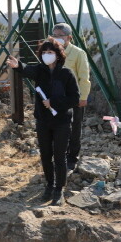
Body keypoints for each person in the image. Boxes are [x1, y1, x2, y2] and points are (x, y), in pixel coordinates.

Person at [6, 38, 80, 205]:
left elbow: (74, 98)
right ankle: (49, 185)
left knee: (60, 156)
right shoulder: (40, 71)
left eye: (50, 52)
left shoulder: (67, 74)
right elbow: (27, 70)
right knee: (45, 155)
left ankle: (59, 189)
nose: (47, 55)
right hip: (43, 121)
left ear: (58, 55)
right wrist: (18, 65)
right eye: (44, 52)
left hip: (61, 121)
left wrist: (53, 102)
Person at [51, 23, 91, 170]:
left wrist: (83, 97)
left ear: (69, 37)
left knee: (74, 128)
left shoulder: (78, 53)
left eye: (60, 35)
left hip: (73, 98)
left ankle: (72, 157)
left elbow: (84, 77)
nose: (57, 38)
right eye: (54, 35)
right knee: (58, 128)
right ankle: (59, 157)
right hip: (56, 98)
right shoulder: (51, 52)